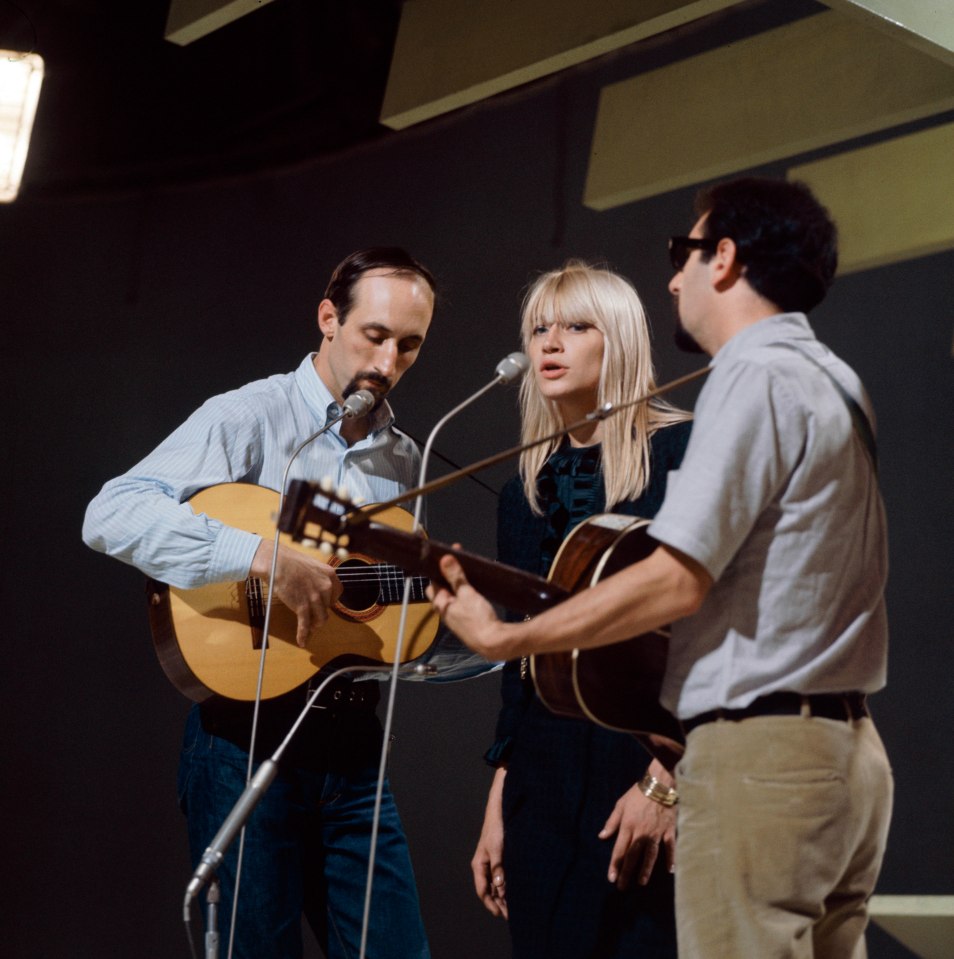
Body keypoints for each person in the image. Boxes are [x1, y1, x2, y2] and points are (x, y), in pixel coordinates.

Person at [430, 178, 893, 959]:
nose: (673, 279)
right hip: (839, 750)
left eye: (684, 255)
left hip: (758, 752)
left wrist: (512, 639)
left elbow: (679, 580)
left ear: (726, 259)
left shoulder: (751, 377)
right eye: (540, 326)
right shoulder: (833, 379)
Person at [84, 247, 454, 959]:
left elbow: (385, 604)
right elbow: (110, 512)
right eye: (373, 334)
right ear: (327, 317)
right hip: (244, 740)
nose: (389, 358)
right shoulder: (249, 416)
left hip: (354, 750)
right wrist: (258, 554)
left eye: (409, 344)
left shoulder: (404, 458)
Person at [472, 262, 691, 958]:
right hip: (543, 788)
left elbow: (711, 638)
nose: (550, 343)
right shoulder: (522, 492)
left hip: (651, 770)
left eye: (575, 325)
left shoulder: (680, 454)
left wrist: (663, 786)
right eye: (539, 328)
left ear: (619, 340)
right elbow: (523, 669)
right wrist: (499, 802)